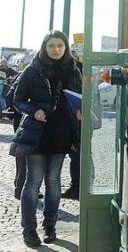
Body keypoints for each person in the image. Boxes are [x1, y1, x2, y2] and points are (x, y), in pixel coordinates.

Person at [11, 31, 82, 247]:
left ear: (66, 47)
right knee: (33, 183)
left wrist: (80, 110)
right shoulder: (32, 70)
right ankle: (29, 231)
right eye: (52, 45)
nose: (56, 50)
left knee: (54, 182)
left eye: (60, 45)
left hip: (62, 133)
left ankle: (50, 227)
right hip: (37, 134)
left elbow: (81, 96)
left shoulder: (73, 69)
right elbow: (17, 100)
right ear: (45, 46)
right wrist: (33, 111)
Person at [62, 50, 83, 200]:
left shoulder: (75, 70)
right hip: (63, 117)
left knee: (77, 154)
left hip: (74, 117)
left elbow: (82, 91)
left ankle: (77, 186)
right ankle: (75, 186)